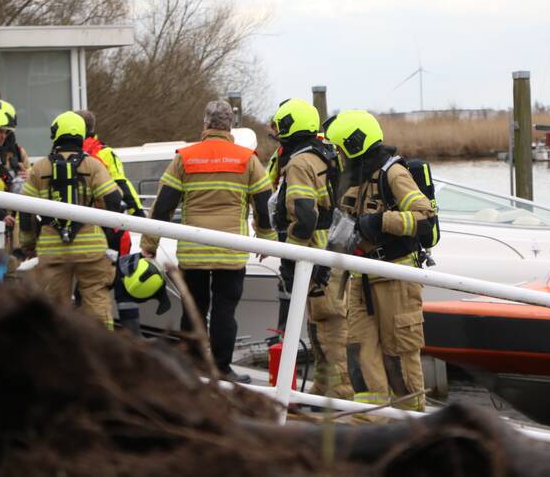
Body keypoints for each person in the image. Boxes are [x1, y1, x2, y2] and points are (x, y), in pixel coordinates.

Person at [139, 100, 275, 381]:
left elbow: (163, 206)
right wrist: (265, 238)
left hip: (194, 249)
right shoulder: (247, 159)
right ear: (231, 126)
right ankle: (223, 369)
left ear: (205, 124)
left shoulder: (185, 158)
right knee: (226, 310)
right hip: (231, 251)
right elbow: (263, 203)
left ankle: (192, 366)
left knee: (195, 309)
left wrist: (149, 244)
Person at [324, 110, 436, 411]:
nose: (337, 155)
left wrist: (382, 221)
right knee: (359, 353)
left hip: (395, 279)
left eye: (339, 148)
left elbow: (425, 219)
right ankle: (368, 423)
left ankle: (412, 431)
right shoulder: (356, 178)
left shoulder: (393, 173)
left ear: (354, 144)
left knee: (399, 357)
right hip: (361, 278)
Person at [269, 98, 351, 400]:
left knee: (329, 327)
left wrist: (291, 257)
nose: (277, 133)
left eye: (280, 126)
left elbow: (305, 215)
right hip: (330, 251)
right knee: (321, 325)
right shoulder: (325, 155)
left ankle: (337, 394)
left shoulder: (301, 163)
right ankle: (323, 390)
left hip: (315, 255)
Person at [19, 111, 123, 328]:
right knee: (97, 303)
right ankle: (103, 353)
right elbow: (114, 199)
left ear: (56, 134)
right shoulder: (93, 165)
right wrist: (104, 231)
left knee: (54, 310)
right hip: (91, 247)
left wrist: (28, 243)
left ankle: (60, 357)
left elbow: (25, 211)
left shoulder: (39, 168)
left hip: (52, 248)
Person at [75, 109, 146, 254]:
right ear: (92, 127)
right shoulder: (104, 153)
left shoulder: (60, 155)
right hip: (104, 224)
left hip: (72, 226)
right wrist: (139, 215)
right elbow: (121, 184)